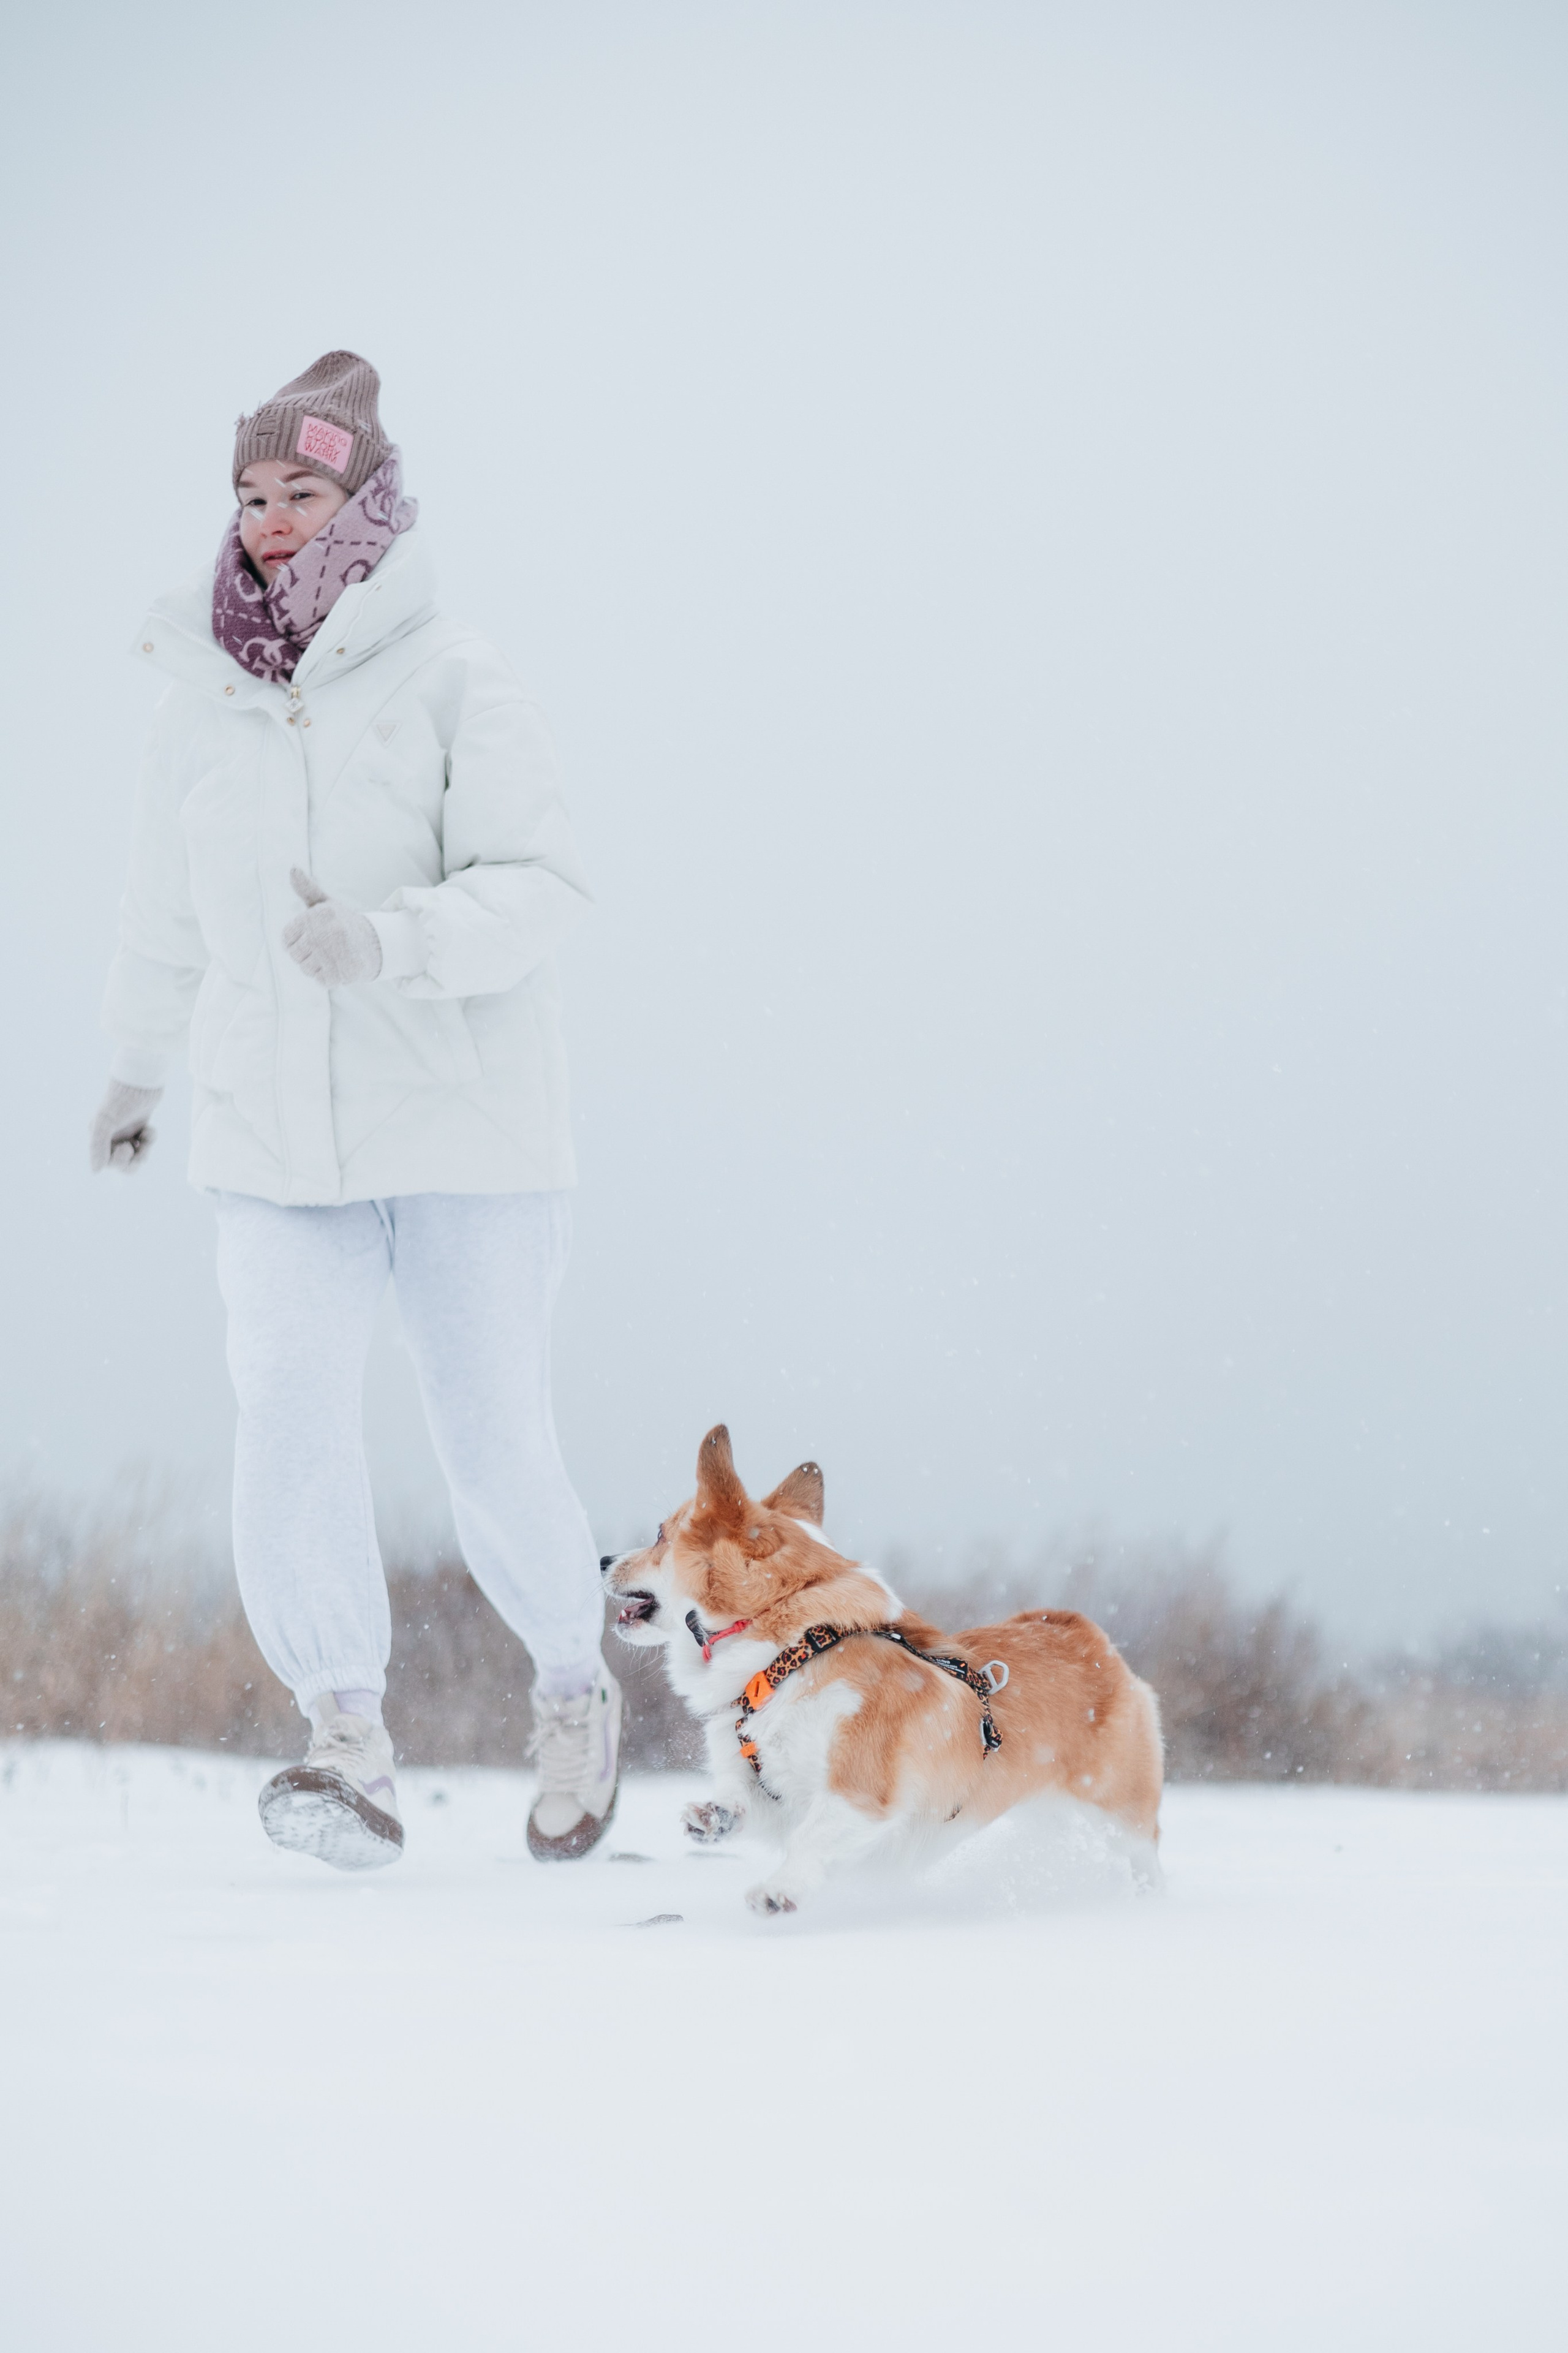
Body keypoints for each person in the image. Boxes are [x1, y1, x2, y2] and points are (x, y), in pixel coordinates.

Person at [89, 350, 620, 1871]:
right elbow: (158, 911)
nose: (267, 516)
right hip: (269, 1135)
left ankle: (574, 1688)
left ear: (366, 501)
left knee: (487, 1432)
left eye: (299, 488)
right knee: (291, 1413)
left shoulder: (457, 671)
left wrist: (393, 941)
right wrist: (136, 1065)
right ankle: (345, 1739)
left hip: (464, 1125)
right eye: (250, 492)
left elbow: (543, 887)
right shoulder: (201, 699)